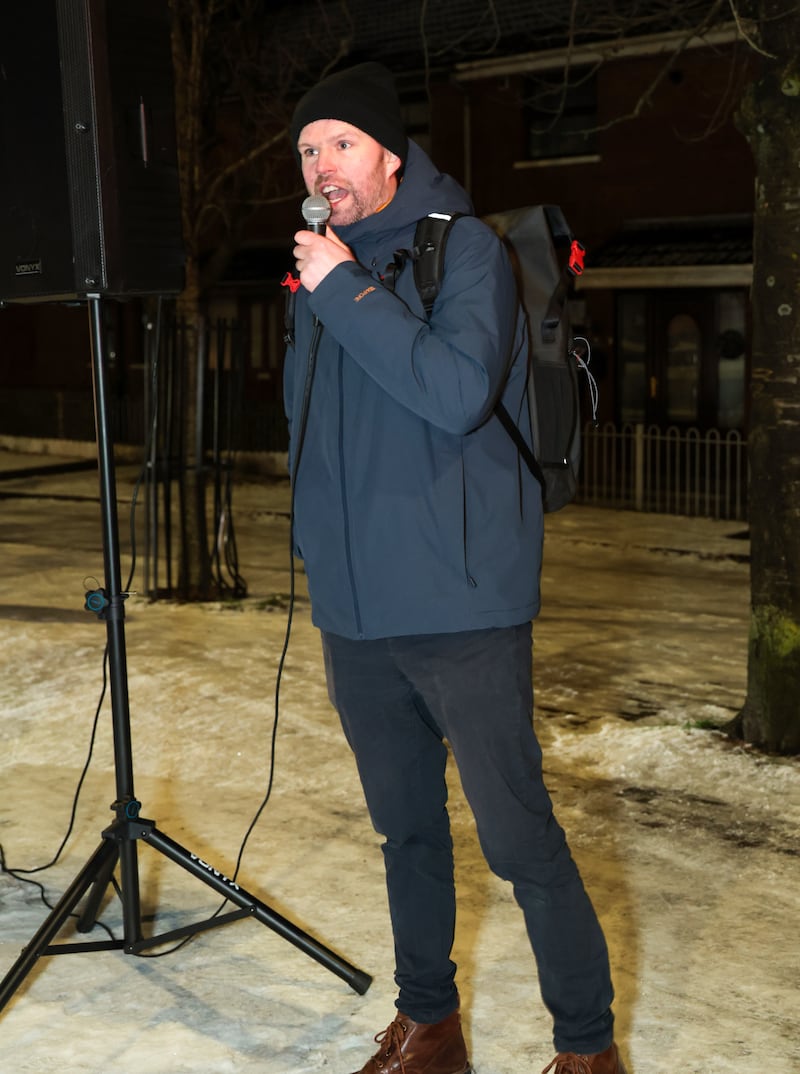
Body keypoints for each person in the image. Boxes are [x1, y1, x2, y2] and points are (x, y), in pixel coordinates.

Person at [284, 61, 628, 1074]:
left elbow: (451, 393)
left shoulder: (463, 252)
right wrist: (316, 557)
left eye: (341, 142)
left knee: (517, 838)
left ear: (391, 155)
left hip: (458, 604)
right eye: (307, 149)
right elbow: (309, 431)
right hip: (356, 609)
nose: (321, 163)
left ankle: (584, 1049)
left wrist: (341, 289)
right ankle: (429, 1026)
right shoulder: (320, 273)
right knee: (406, 834)